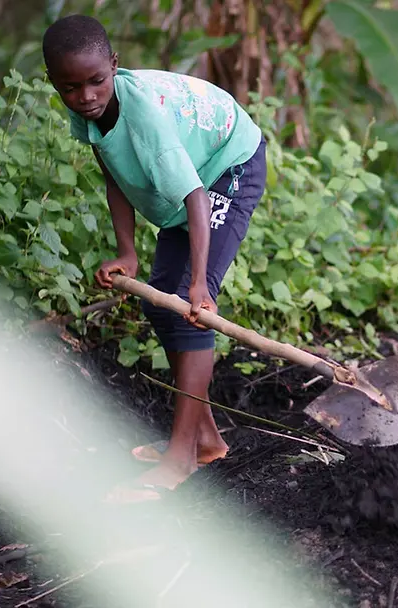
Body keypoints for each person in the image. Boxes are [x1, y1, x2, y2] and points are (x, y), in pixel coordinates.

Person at [42, 15, 267, 504]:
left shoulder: (144, 118)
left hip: (227, 166)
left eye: (96, 81)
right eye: (71, 87)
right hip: (191, 179)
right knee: (160, 302)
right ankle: (205, 439)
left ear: (114, 66)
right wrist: (127, 252)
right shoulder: (85, 110)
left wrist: (203, 285)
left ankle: (182, 455)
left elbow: (195, 198)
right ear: (54, 83)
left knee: (191, 312)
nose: (85, 96)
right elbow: (112, 175)